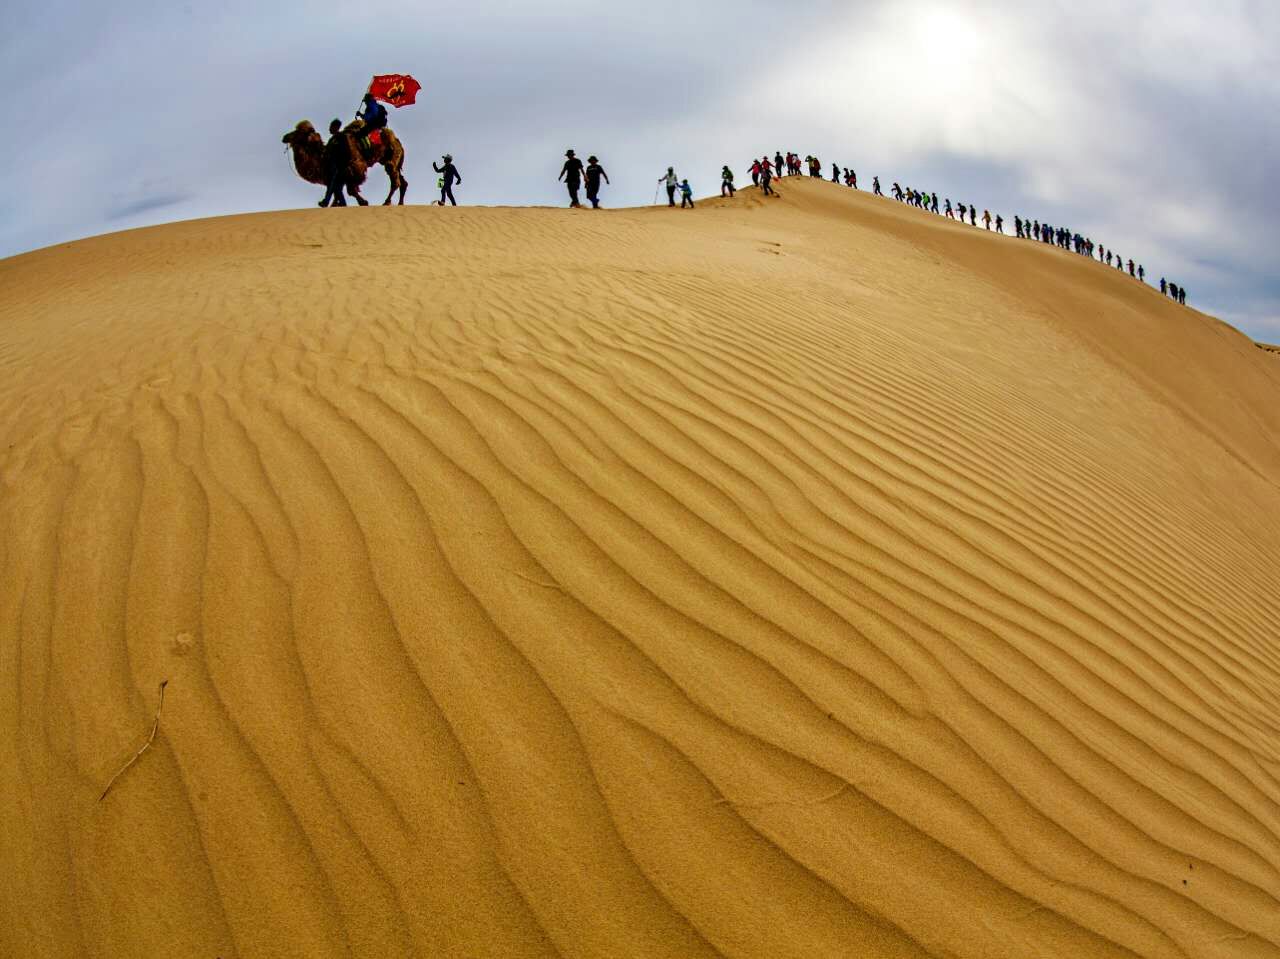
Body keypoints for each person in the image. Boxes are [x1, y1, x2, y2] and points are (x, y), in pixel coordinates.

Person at [319, 119, 348, 208]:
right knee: (336, 188)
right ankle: (342, 203)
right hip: (333, 166)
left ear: (336, 127)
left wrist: (340, 165)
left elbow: (345, 152)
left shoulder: (341, 137)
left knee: (332, 185)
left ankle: (326, 201)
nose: (329, 129)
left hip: (339, 167)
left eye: (331, 127)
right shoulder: (333, 139)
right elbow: (326, 150)